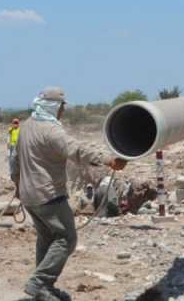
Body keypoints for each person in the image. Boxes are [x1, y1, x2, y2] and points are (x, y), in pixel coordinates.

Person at [14, 87, 126, 301]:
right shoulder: (50, 130)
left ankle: (44, 289)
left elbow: (14, 158)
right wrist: (108, 160)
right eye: (62, 106)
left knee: (47, 239)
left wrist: (16, 184)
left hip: (29, 195)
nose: (63, 111)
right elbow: (75, 150)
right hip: (48, 195)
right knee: (67, 238)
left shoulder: (26, 127)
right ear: (54, 106)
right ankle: (39, 284)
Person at [7, 118, 21, 183]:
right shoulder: (11, 129)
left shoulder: (20, 129)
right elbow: (8, 136)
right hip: (12, 145)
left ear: (19, 123)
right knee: (11, 158)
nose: (15, 124)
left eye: (16, 123)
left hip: (18, 145)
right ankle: (12, 172)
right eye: (14, 123)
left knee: (16, 158)